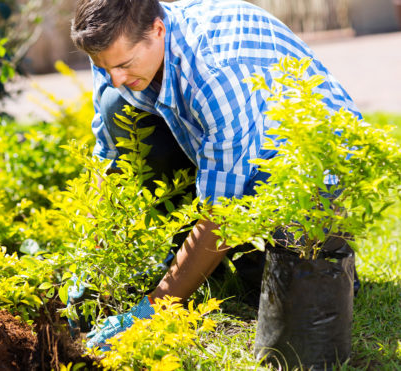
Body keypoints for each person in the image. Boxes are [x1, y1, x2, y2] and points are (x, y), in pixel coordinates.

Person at [69, 0, 361, 349]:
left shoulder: (215, 70)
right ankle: (194, 262)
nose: (114, 76)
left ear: (158, 31)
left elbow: (220, 215)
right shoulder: (113, 45)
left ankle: (322, 256)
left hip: (302, 159)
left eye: (124, 65)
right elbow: (108, 157)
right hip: (228, 146)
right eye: (105, 66)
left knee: (289, 286)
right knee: (117, 105)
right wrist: (91, 256)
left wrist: (154, 307)